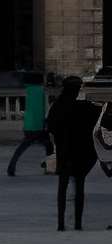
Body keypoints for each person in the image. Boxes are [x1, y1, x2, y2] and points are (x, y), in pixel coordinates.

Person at [49, 74, 97, 230]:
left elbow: (51, 127)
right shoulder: (86, 107)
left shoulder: (58, 105)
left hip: (65, 150)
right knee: (79, 187)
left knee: (62, 188)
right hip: (82, 151)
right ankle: (77, 224)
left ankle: (61, 224)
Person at [9, 72, 52, 179]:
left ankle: (11, 167)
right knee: (49, 146)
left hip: (29, 125)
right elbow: (43, 109)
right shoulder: (41, 91)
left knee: (21, 149)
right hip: (39, 126)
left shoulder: (27, 91)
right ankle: (50, 167)